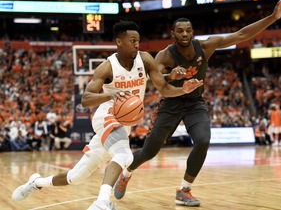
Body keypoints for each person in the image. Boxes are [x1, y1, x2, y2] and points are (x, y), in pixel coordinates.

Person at [114, 0, 281, 207]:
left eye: (188, 30)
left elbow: (242, 34)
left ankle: (184, 190)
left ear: (193, 32)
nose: (184, 34)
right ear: (172, 34)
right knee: (150, 151)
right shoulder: (165, 56)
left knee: (203, 140)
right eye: (179, 31)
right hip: (171, 103)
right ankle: (126, 173)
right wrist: (173, 77)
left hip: (195, 103)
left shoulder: (206, 46)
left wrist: (273, 17)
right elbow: (155, 83)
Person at [11, 21, 202, 209]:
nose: (137, 44)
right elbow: (86, 99)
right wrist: (110, 94)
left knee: (76, 177)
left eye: (138, 40)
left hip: (124, 123)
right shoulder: (107, 67)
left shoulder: (145, 60)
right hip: (107, 115)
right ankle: (102, 201)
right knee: (124, 155)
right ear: (119, 42)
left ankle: (36, 182)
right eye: (132, 40)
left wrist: (183, 89)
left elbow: (165, 89)